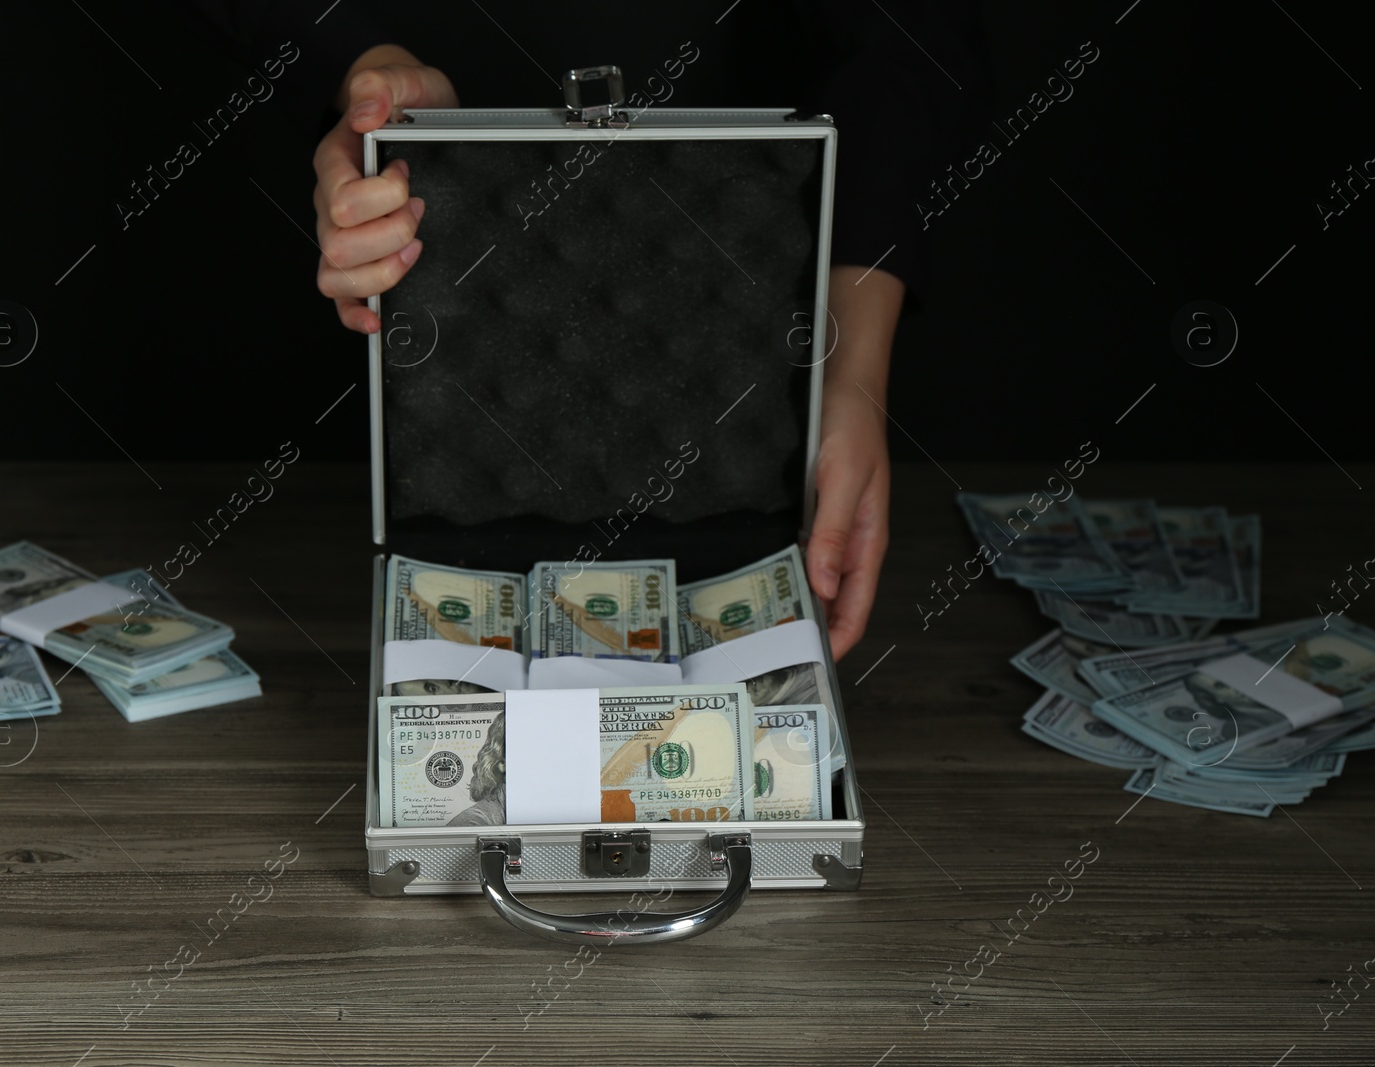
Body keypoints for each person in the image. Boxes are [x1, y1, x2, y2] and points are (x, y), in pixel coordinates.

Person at [182, 2, 985, 659]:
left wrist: (849, 368)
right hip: (298, 454)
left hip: (747, 454)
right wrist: (363, 67)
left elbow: (908, 39)